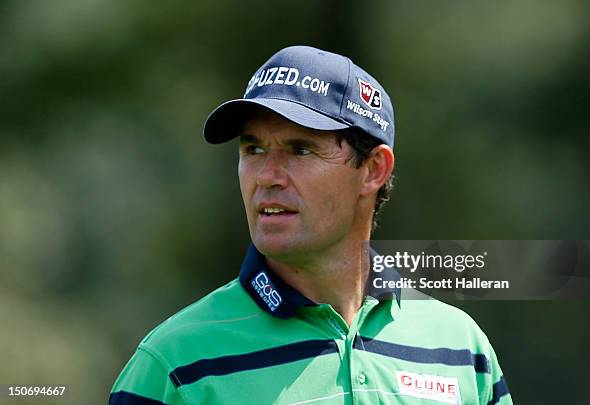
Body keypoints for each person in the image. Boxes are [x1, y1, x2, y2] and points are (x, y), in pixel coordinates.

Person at [109, 45, 512, 405]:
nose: (267, 176)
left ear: (373, 170)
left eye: (300, 149)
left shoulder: (460, 349)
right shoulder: (174, 365)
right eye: (253, 149)